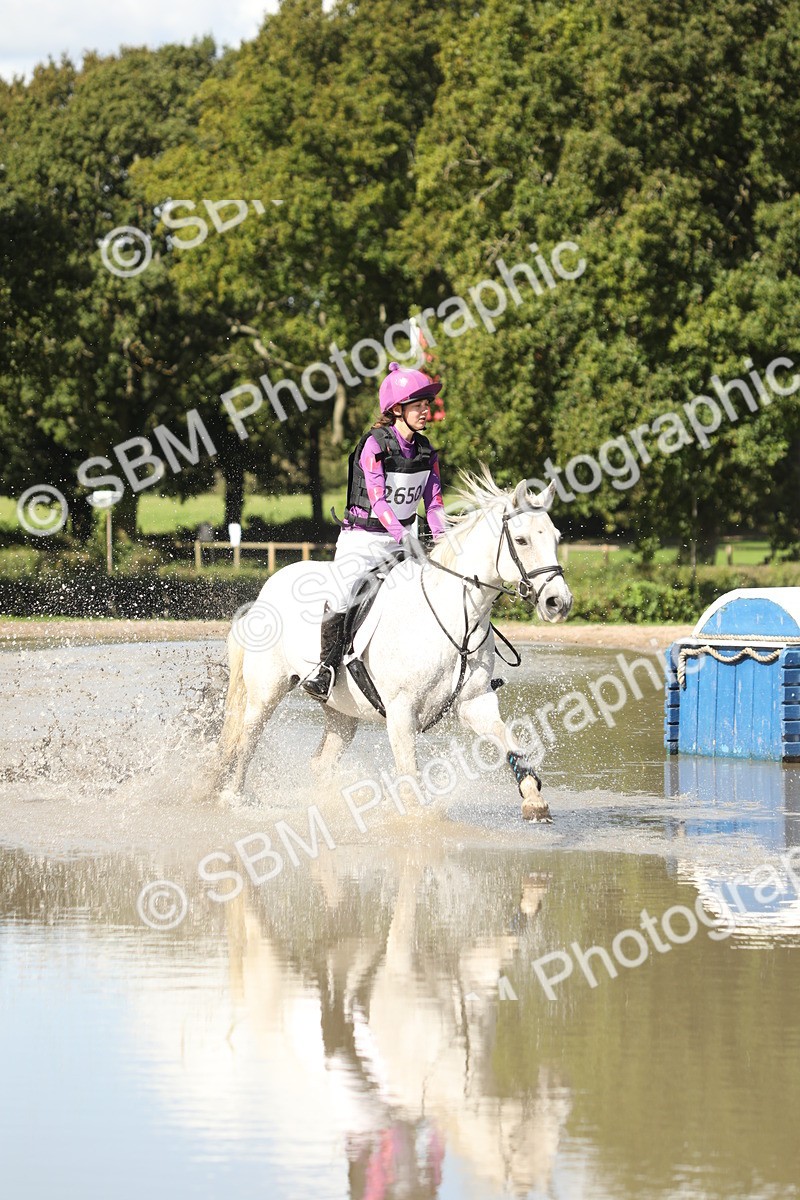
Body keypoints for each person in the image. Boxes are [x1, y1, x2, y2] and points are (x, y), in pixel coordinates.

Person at [302, 361, 446, 701]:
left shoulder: (427, 452)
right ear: (397, 409)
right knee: (341, 595)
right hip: (363, 540)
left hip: (403, 542)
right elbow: (379, 502)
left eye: (428, 403)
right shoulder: (374, 445)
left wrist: (441, 542)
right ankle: (326, 667)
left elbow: (435, 504)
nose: (427, 410)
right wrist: (404, 537)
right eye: (419, 404)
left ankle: (457, 671)